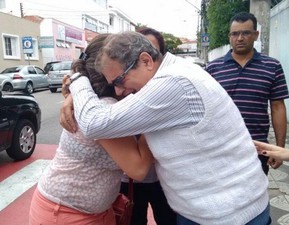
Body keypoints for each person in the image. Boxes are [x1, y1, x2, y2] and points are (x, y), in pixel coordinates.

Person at [60, 31, 271, 225]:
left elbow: (94, 123)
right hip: (218, 208)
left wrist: (77, 80)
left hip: (227, 215)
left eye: (119, 80)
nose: (119, 90)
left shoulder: (172, 84)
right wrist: (75, 96)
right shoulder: (177, 69)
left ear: (146, 60)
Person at [29, 34, 153, 225]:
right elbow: (138, 169)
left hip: (89, 210)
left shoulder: (87, 100)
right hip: (65, 213)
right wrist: (155, 120)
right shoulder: (104, 109)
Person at [205, 12, 289, 175]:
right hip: (221, 149)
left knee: (256, 197)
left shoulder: (272, 66)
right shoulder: (213, 69)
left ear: (255, 35)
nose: (240, 38)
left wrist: (279, 149)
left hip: (257, 148)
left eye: (246, 33)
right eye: (235, 33)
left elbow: (278, 107)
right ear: (229, 36)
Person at [119, 27, 176, 225]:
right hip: (129, 181)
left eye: (150, 51)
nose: (144, 60)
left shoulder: (172, 89)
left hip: (165, 179)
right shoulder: (119, 88)